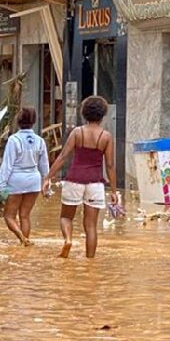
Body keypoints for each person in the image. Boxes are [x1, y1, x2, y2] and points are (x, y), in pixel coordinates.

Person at [42, 95, 119, 259]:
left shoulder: (77, 132)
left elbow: (63, 157)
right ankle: (90, 263)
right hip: (95, 184)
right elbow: (110, 166)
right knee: (91, 226)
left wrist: (48, 177)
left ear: (84, 113)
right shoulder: (106, 137)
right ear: (103, 114)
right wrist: (113, 190)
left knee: (65, 217)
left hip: (74, 181)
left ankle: (68, 240)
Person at [0, 107, 49, 246]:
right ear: (33, 122)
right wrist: (46, 184)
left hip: (16, 181)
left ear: (18, 121)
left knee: (9, 216)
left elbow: (7, 166)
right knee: (25, 215)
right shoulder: (40, 141)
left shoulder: (14, 140)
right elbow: (45, 166)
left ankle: (22, 238)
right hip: (34, 181)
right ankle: (25, 243)